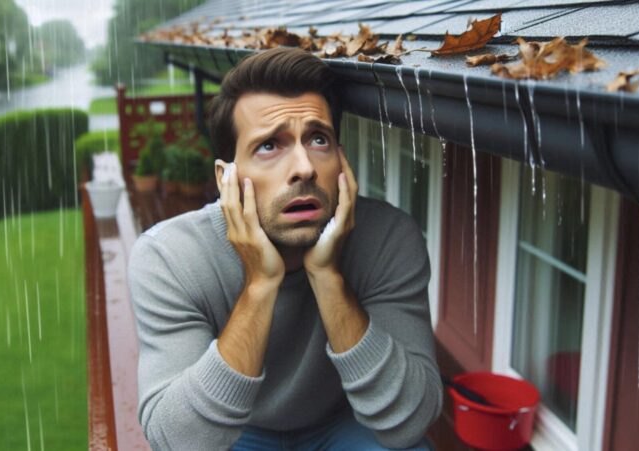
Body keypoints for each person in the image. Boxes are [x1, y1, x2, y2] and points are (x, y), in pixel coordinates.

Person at [128, 47, 443, 450]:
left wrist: (328, 277)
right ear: (227, 179)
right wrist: (260, 282)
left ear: (341, 164)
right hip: (238, 429)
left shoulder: (388, 239)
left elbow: (410, 420)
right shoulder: (169, 258)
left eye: (317, 139)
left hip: (345, 420)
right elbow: (178, 439)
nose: (304, 167)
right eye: (269, 146)